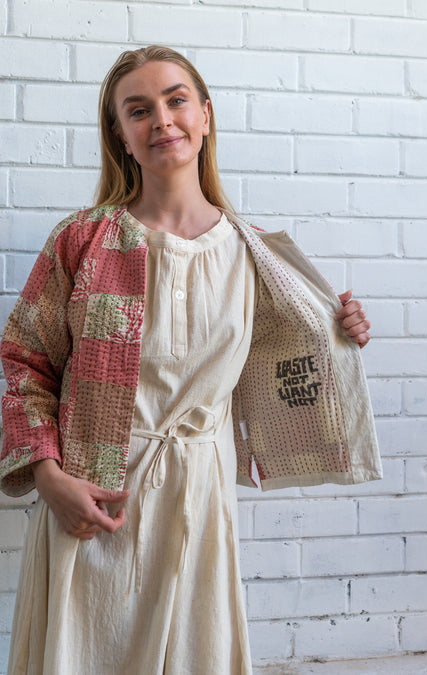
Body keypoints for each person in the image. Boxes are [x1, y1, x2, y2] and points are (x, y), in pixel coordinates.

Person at [0, 46, 381, 674]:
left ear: (205, 115)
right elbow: (25, 363)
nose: (162, 119)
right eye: (138, 110)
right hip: (93, 498)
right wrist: (49, 478)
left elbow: (293, 350)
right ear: (120, 136)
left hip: (200, 499)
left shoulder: (255, 256)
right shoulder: (82, 241)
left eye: (176, 100)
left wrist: (339, 330)